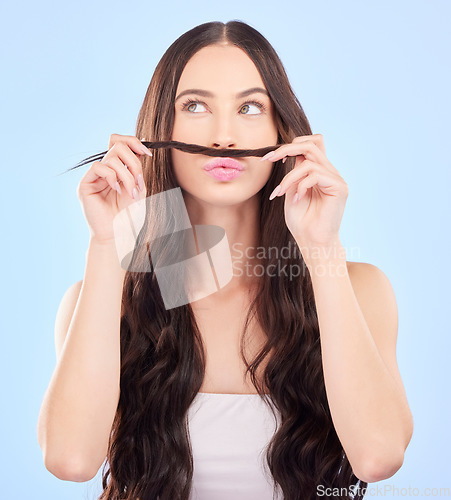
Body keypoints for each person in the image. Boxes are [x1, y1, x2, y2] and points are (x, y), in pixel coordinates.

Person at [37, 20, 413, 500]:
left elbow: (378, 457)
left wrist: (321, 247)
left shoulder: (359, 289)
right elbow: (70, 461)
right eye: (194, 106)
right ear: (160, 129)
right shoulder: (106, 301)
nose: (223, 136)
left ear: (281, 129)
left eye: (250, 107)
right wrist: (109, 244)